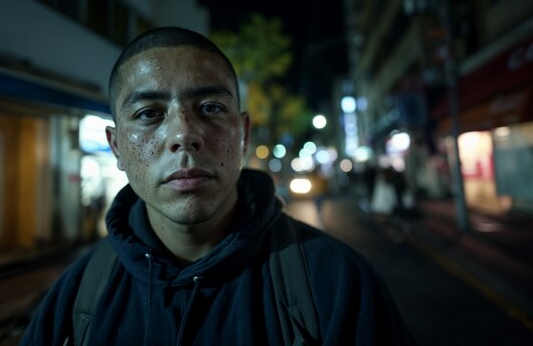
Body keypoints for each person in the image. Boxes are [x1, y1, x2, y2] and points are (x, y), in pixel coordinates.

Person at [21, 27, 416, 345]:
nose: (183, 134)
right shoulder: (73, 302)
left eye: (210, 108)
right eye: (148, 113)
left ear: (242, 133)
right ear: (117, 146)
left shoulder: (337, 285)